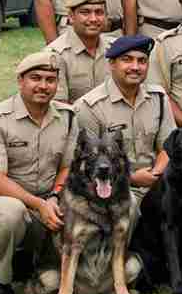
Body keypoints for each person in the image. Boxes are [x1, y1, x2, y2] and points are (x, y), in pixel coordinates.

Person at [0, 53, 76, 294]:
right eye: (35, 78)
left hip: (45, 198)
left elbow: (67, 166)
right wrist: (39, 204)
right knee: (10, 212)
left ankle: (35, 262)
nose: (43, 85)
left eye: (50, 80)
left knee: (79, 208)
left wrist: (54, 196)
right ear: (20, 81)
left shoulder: (68, 117)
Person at [74, 35, 174, 213]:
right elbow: (88, 164)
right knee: (130, 205)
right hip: (108, 186)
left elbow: (168, 146)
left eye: (142, 61)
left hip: (155, 181)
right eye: (127, 60)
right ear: (112, 64)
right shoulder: (89, 106)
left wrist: (155, 174)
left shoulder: (158, 98)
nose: (135, 67)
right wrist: (133, 179)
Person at [45, 0, 111, 103]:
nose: (93, 19)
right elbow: (59, 108)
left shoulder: (115, 50)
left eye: (99, 12)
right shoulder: (55, 55)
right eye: (85, 12)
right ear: (71, 16)